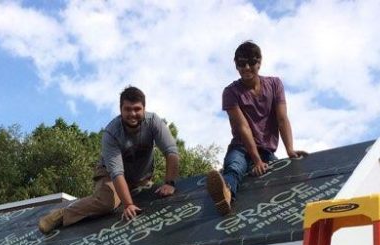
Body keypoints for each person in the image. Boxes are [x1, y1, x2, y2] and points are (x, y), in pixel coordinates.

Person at [38, 86, 180, 233]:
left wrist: (170, 183)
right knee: (108, 203)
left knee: (153, 196)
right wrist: (129, 204)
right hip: (110, 175)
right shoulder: (111, 133)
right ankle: (61, 214)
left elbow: (171, 152)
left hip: (140, 177)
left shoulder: (154, 122)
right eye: (128, 109)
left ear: (144, 109)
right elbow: (117, 173)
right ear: (121, 109)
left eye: (137, 109)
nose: (132, 114)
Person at [205, 40, 307, 216]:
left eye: (251, 63)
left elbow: (282, 118)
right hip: (241, 147)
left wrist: (289, 149)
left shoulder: (275, 84)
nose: (246, 67)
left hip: (266, 150)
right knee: (235, 167)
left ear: (259, 62)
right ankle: (225, 193)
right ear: (235, 65)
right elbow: (243, 127)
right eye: (241, 63)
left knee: (280, 175)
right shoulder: (230, 92)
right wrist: (256, 160)